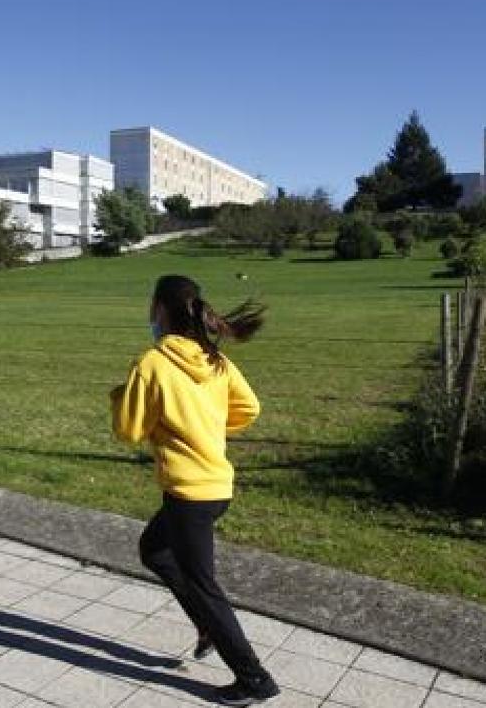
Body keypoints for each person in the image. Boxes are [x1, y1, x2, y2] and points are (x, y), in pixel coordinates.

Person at [110, 274, 279, 706]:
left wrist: (120, 396)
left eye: (151, 306)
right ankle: (206, 627)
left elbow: (128, 431)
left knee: (205, 587)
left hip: (189, 495)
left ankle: (255, 679)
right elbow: (250, 407)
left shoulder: (152, 363)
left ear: (161, 310)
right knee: (154, 550)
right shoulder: (215, 360)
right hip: (216, 487)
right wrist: (207, 428)